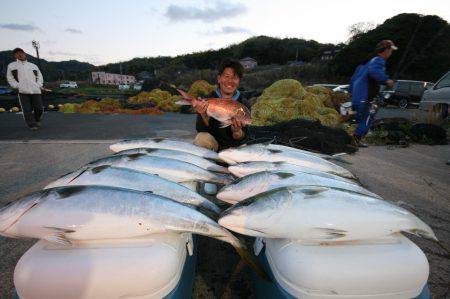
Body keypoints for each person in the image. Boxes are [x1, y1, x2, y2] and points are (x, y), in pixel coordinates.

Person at [193, 58, 248, 152]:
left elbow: (244, 137)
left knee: (244, 148)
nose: (230, 81)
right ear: (219, 78)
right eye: (226, 76)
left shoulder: (243, 103)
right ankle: (207, 163)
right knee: (201, 138)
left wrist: (237, 132)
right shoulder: (209, 99)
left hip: (234, 147)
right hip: (215, 146)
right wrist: (203, 114)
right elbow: (201, 129)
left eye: (234, 77)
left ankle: (233, 162)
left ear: (239, 81)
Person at [349, 40, 397, 147]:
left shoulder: (365, 63)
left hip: (357, 97)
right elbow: (374, 72)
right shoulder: (378, 60)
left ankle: (350, 137)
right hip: (364, 98)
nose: (391, 53)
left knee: (355, 118)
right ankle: (356, 139)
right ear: (386, 50)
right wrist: (386, 80)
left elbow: (352, 80)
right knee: (368, 117)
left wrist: (351, 94)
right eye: (391, 50)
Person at [6, 48, 44, 130]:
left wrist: (38, 85)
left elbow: (39, 77)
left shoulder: (33, 65)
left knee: (39, 108)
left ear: (24, 54)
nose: (19, 54)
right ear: (15, 55)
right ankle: (32, 124)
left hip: (35, 90)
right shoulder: (12, 66)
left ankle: (37, 120)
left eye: (21, 53)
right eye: (17, 53)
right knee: (26, 109)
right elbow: (10, 77)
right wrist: (17, 85)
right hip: (23, 91)